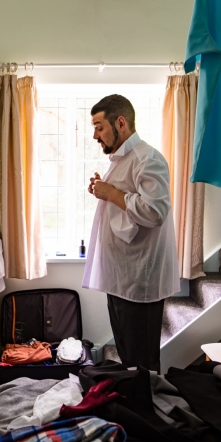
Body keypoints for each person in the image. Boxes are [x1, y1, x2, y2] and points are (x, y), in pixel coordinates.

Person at [82, 94, 180, 373]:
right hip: (121, 277)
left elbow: (155, 211)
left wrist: (112, 192)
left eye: (99, 127)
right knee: (127, 357)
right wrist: (106, 189)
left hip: (140, 280)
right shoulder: (123, 159)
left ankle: (146, 412)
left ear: (121, 123)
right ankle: (130, 410)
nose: (95, 135)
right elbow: (126, 203)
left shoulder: (149, 159)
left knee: (142, 361)